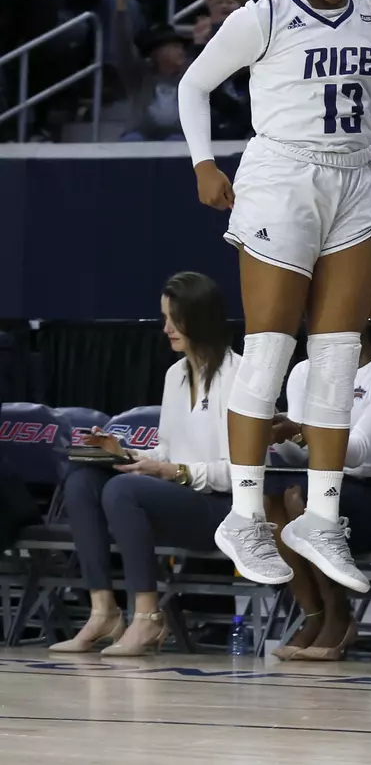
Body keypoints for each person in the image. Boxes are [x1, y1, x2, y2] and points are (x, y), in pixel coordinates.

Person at [178, 0, 371, 595]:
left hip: (353, 179)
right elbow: (194, 83)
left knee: (336, 356)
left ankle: (321, 519)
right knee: (270, 348)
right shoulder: (262, 16)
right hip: (282, 176)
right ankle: (245, 515)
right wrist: (204, 162)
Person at [52, 273, 239, 657]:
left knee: (122, 490)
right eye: (164, 318)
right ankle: (103, 610)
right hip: (179, 495)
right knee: (83, 479)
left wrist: (173, 473)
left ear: (200, 319)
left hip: (223, 506)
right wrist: (125, 454)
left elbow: (240, 474)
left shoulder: (239, 377)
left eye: (174, 318)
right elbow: (168, 451)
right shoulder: (176, 374)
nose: (166, 328)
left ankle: (149, 618)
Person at [266, 297, 371, 660]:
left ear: (368, 312)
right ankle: (314, 614)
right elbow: (298, 456)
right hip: (324, 488)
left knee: (302, 498)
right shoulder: (305, 372)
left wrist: (303, 430)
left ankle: (340, 617)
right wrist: (275, 437)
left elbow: (359, 450)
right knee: (269, 503)